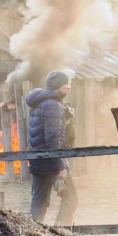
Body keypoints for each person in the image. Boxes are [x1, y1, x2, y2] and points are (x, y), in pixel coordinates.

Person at [26, 70, 78, 225]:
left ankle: (33, 235)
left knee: (40, 200)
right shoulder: (52, 105)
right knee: (71, 197)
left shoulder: (39, 103)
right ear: (59, 86)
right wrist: (60, 166)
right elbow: (52, 139)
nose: (67, 88)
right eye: (65, 84)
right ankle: (61, 231)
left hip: (38, 160)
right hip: (51, 161)